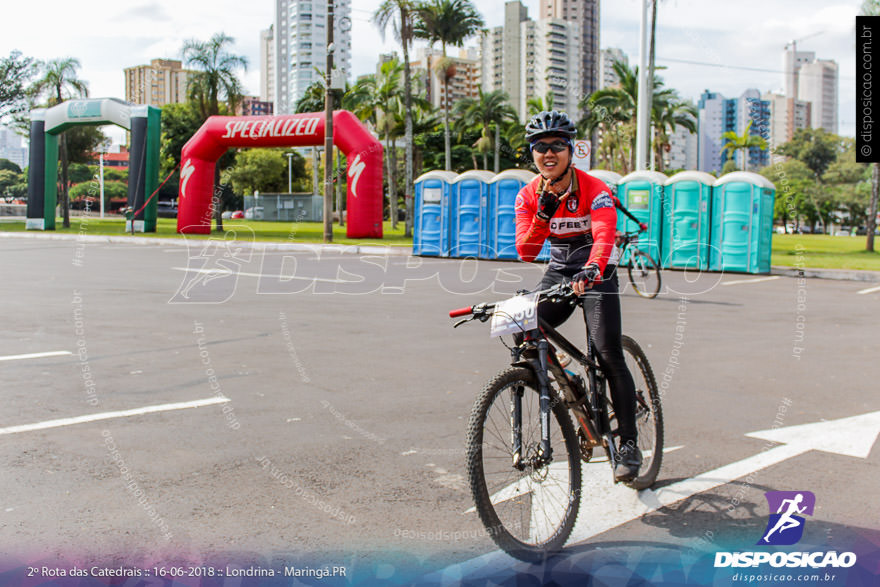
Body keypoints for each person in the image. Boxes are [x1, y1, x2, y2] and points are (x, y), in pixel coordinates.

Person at [514, 110, 641, 482]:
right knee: (523, 328)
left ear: (570, 151)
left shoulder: (595, 189)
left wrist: (594, 269)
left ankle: (629, 444)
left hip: (596, 270)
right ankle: (568, 376)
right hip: (559, 269)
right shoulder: (528, 195)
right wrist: (542, 214)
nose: (548, 153)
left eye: (557, 145)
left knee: (607, 351)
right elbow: (525, 250)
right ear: (532, 153)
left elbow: (604, 235)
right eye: (540, 146)